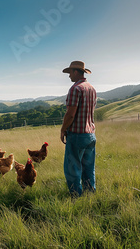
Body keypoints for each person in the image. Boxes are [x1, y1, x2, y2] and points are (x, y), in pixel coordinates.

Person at [60, 61, 97, 197]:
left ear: (76, 72)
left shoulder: (75, 89)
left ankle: (76, 196)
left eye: (70, 73)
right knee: (88, 167)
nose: (69, 76)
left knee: (73, 168)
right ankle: (90, 194)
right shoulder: (91, 88)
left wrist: (63, 129)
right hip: (90, 134)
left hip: (77, 135)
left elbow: (70, 114)